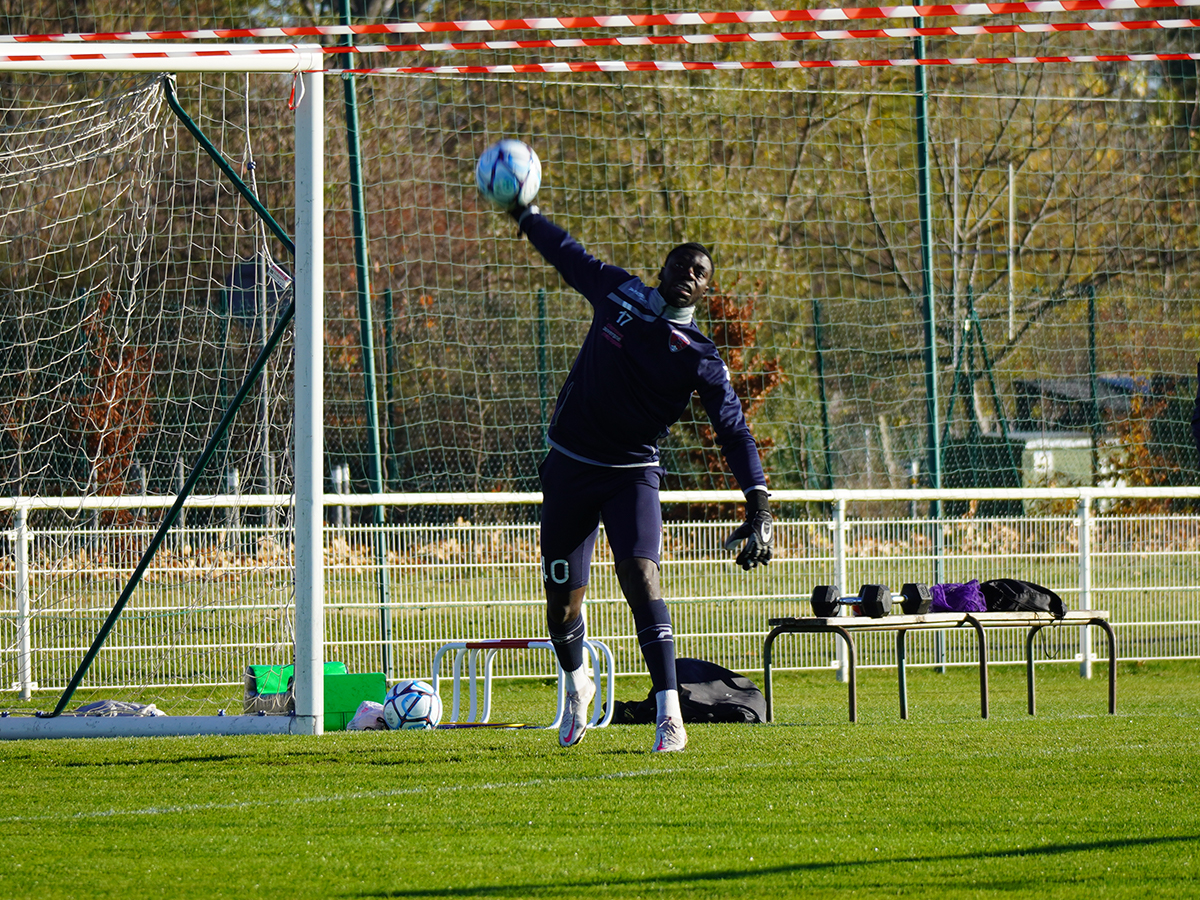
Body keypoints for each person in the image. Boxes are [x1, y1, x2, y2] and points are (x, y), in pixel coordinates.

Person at [506, 200, 773, 753]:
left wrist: (759, 506)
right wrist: (523, 212)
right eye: (681, 265)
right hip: (569, 468)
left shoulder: (700, 356)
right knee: (561, 608)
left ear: (705, 291)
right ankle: (577, 683)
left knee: (640, 577)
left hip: (631, 476)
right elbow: (567, 254)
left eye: (700, 273)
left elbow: (734, 431)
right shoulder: (617, 292)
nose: (688, 276)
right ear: (664, 270)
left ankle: (669, 714)